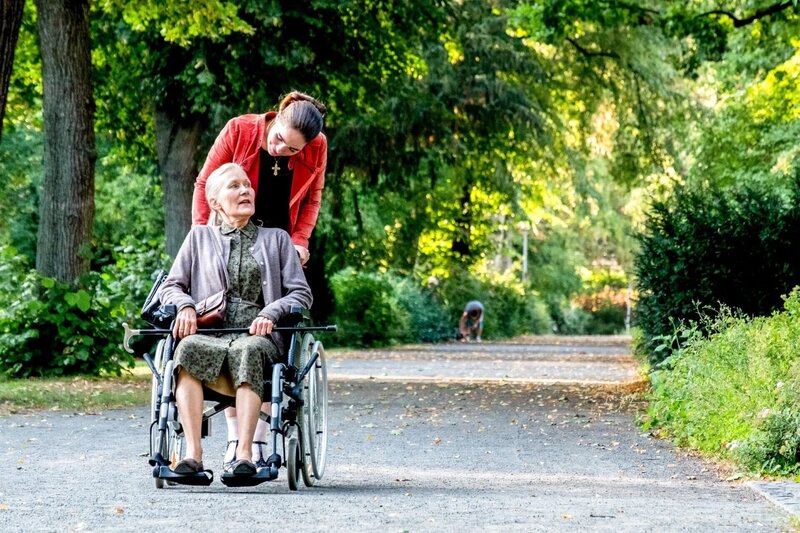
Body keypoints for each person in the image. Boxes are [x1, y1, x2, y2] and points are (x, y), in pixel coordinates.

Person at [191, 91, 327, 470]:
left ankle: (260, 438)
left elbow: (312, 197)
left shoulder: (316, 147)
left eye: (291, 150)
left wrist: (299, 241)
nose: (281, 149)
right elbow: (206, 183)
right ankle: (236, 438)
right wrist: (203, 236)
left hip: (276, 241)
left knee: (266, 329)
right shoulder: (240, 130)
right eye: (279, 139)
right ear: (278, 116)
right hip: (231, 224)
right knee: (229, 323)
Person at [159, 163, 313, 478]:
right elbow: (171, 286)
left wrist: (271, 312)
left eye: (247, 185)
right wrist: (186, 306)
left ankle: (244, 454)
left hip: (258, 337)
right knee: (185, 349)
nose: (245, 190)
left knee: (249, 350)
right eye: (234, 186)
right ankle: (193, 456)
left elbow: (301, 294)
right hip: (212, 333)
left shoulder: (277, 239)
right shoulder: (199, 237)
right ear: (215, 201)